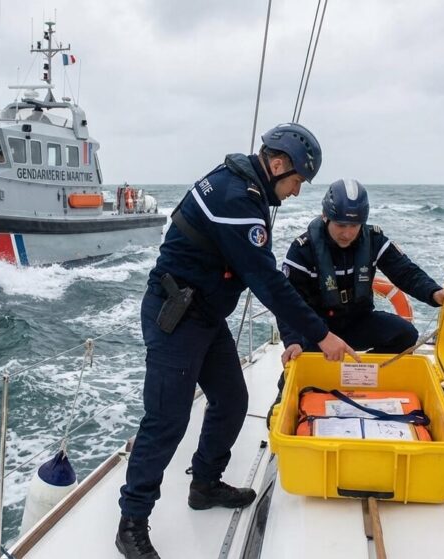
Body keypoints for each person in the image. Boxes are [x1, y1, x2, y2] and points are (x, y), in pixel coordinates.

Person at [116, 123, 356, 559]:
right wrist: (323, 336)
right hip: (178, 318)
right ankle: (131, 522)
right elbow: (268, 281)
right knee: (165, 420)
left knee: (231, 399)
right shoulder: (236, 199)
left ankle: (204, 484)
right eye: (298, 181)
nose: (297, 192)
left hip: (204, 315)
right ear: (278, 164)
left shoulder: (241, 184)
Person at [277, 179, 444, 367]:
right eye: (341, 225)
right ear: (325, 216)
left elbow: (405, 272)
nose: (347, 233)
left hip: (358, 320)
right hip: (318, 329)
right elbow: (287, 301)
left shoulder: (373, 240)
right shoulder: (303, 249)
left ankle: (364, 372)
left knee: (406, 334)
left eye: (354, 225)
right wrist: (292, 341)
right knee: (299, 362)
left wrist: (434, 292)